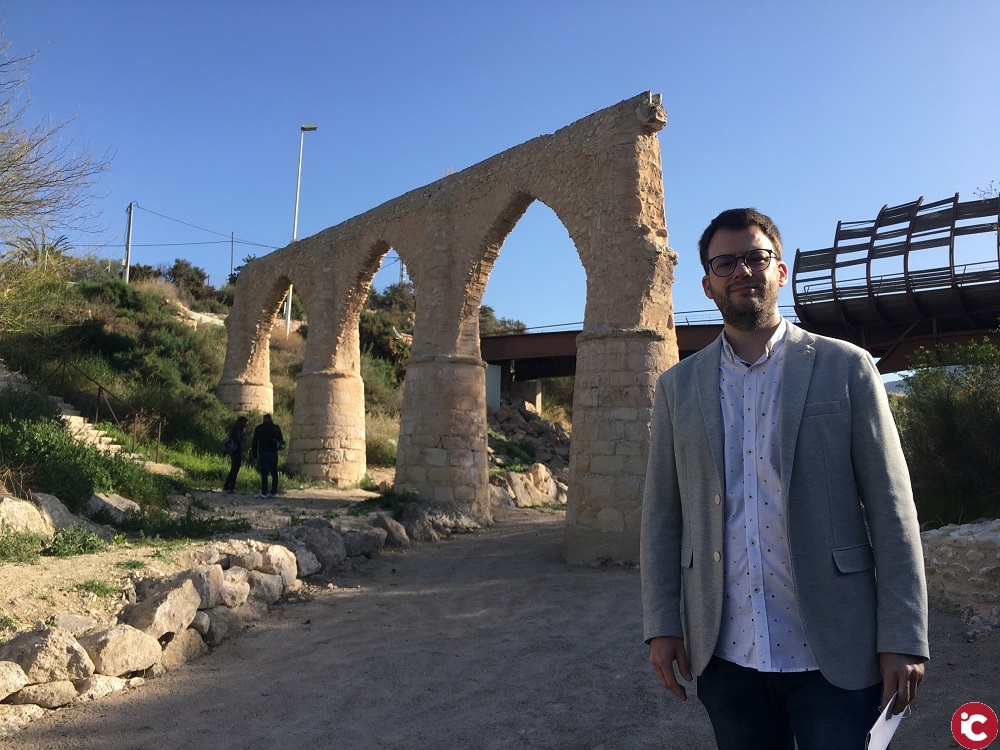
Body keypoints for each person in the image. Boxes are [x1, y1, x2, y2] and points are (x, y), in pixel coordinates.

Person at [640, 208, 928, 750]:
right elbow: (662, 516)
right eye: (725, 263)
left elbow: (892, 509)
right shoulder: (677, 388)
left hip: (836, 651)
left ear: (781, 270)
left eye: (756, 257)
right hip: (726, 655)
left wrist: (904, 635)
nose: (741, 271)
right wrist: (662, 625)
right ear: (706, 283)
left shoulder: (847, 367)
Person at [249, 414, 284, 499]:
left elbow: (255, 442)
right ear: (270, 419)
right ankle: (273, 492)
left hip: (263, 453)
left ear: (264, 419)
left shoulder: (259, 428)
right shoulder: (276, 428)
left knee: (264, 473)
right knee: (274, 473)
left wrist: (255, 455)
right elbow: (281, 440)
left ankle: (264, 492)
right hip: (273, 453)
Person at [222, 415, 249, 493]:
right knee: (235, 469)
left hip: (234, 451)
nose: (246, 425)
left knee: (233, 469)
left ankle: (227, 486)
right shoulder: (237, 430)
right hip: (237, 451)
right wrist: (241, 450)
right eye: (246, 423)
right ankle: (231, 487)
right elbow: (238, 441)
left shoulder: (235, 429)